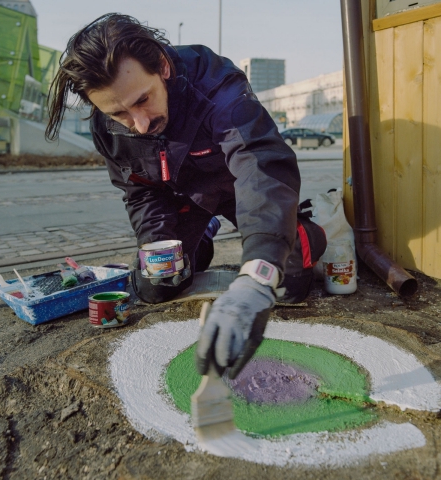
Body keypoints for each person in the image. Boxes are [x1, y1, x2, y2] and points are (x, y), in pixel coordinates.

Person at [45, 13, 303, 380]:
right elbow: (138, 193)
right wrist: (158, 246)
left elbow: (260, 166)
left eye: (143, 100)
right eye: (119, 112)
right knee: (156, 287)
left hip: (238, 188)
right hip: (181, 196)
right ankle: (202, 236)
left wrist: (260, 271)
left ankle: (309, 230)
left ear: (163, 67)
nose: (140, 123)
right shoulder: (106, 125)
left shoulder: (217, 85)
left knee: (290, 285)